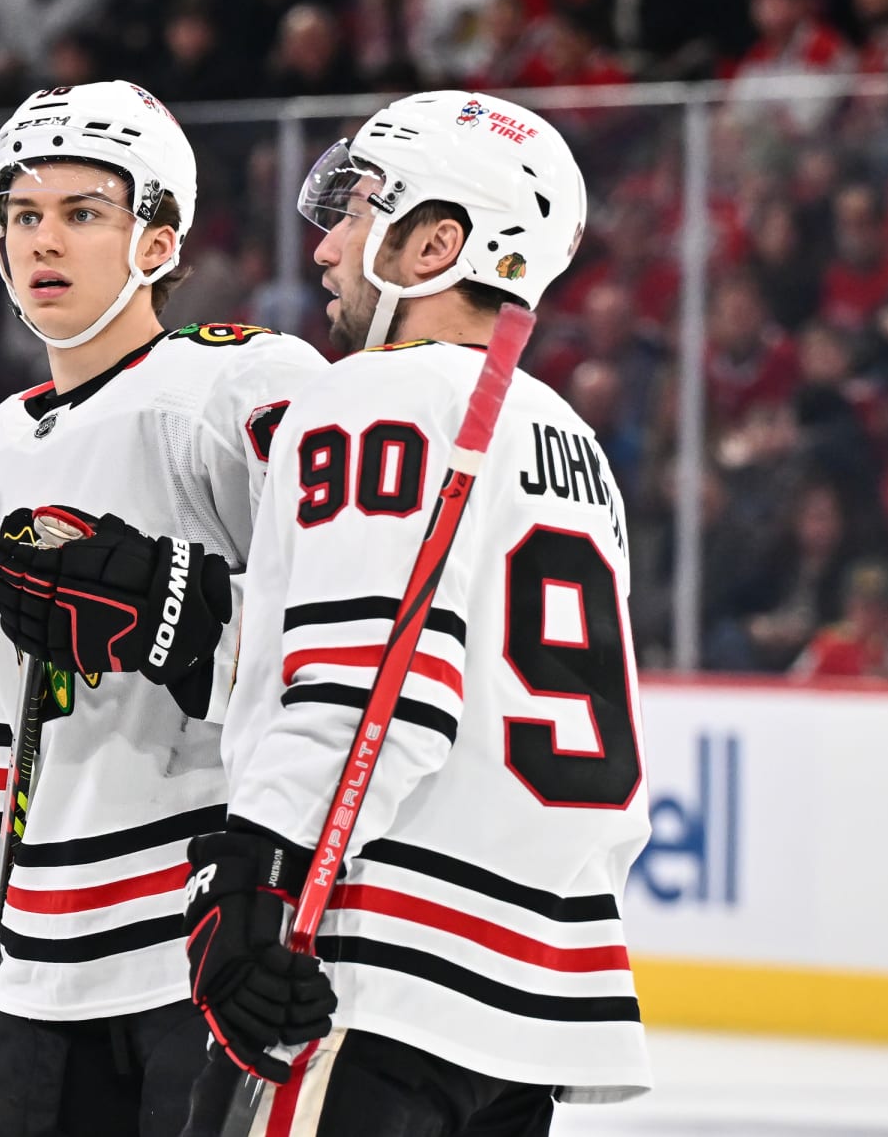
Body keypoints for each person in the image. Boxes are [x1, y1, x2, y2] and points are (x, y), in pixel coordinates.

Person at [182, 90, 652, 1135]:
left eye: (358, 211)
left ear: (440, 241)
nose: (325, 248)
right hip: (530, 1002)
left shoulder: (372, 397)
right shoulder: (574, 441)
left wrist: (254, 867)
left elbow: (372, 688)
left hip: (373, 970)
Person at [0, 80, 326, 1137]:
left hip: (203, 933)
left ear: (156, 240)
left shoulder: (242, 387)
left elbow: (343, 640)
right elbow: (6, 720)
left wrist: (185, 612)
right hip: (39, 963)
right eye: (22, 212)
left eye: (82, 212)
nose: (41, 239)